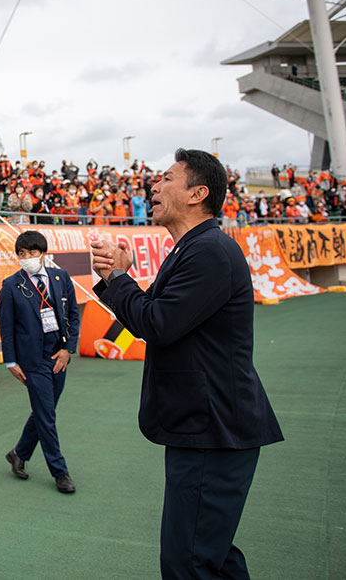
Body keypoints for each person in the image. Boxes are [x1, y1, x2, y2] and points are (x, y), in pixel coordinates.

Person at [90, 148, 283, 579]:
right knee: (210, 554)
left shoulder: (209, 251)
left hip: (212, 429)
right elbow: (154, 317)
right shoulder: (192, 249)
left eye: (166, 179)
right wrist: (115, 279)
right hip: (204, 424)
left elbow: (158, 323)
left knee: (190, 562)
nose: (154, 187)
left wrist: (119, 278)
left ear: (198, 194)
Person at [0, 230, 80, 494]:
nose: (27, 258)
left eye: (32, 253)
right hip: (32, 360)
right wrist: (11, 361)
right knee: (46, 416)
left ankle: (19, 453)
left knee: (45, 411)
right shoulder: (11, 285)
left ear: (43, 253)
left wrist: (68, 349)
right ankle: (60, 472)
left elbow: (73, 315)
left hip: (58, 356)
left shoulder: (61, 277)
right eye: (22, 254)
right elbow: (6, 327)